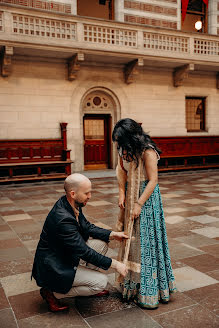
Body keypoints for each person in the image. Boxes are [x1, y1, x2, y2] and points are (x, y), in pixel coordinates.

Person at [32, 173, 128, 312]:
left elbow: (87, 227)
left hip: (65, 255)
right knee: (101, 282)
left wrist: (112, 234)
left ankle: (85, 282)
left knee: (101, 245)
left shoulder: (71, 202)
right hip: (55, 266)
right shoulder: (63, 219)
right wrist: (116, 264)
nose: (90, 196)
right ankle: (52, 293)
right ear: (73, 193)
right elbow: (83, 251)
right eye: (87, 193)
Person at [112, 118, 177, 309]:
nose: (119, 145)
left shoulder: (148, 150)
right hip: (130, 193)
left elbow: (153, 180)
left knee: (145, 242)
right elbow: (120, 170)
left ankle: (150, 290)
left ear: (132, 137)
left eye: (122, 140)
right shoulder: (123, 149)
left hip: (146, 199)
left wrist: (139, 204)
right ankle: (131, 287)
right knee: (131, 242)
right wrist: (122, 192)